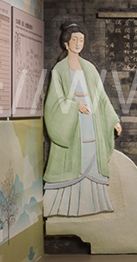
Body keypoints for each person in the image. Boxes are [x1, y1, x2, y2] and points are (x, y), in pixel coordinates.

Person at [43, 23, 122, 216]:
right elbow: (54, 101)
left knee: (91, 159)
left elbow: (101, 98)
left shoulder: (89, 68)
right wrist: (74, 106)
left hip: (91, 123)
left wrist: (113, 120)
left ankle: (95, 205)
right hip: (71, 124)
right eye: (74, 40)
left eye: (81, 40)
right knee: (73, 162)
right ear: (66, 43)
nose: (78, 43)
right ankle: (64, 208)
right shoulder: (59, 70)